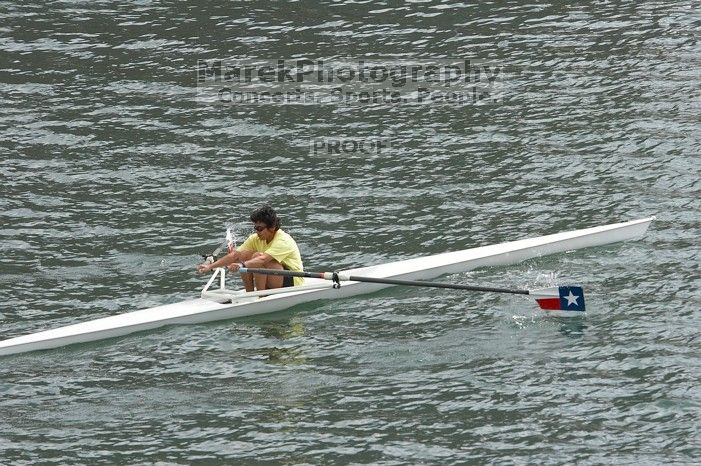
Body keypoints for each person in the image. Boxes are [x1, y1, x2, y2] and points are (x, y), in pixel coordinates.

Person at [197, 206, 304, 291]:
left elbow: (262, 260)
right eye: (255, 228)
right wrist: (210, 266)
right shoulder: (255, 238)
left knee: (257, 256)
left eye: (260, 228)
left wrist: (241, 265)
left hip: (292, 280)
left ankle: (260, 296)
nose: (257, 231)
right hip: (274, 277)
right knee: (245, 254)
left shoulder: (283, 240)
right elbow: (235, 255)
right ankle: (250, 293)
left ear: (272, 227)